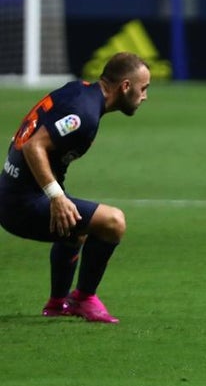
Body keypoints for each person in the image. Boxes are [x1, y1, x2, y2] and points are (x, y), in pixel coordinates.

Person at [0, 52, 151, 324]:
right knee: (113, 222)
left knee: (77, 223)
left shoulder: (80, 91)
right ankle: (83, 299)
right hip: (20, 204)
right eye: (143, 89)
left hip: (11, 192)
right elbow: (34, 145)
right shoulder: (84, 114)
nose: (145, 96)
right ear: (125, 86)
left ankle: (57, 303)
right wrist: (56, 196)